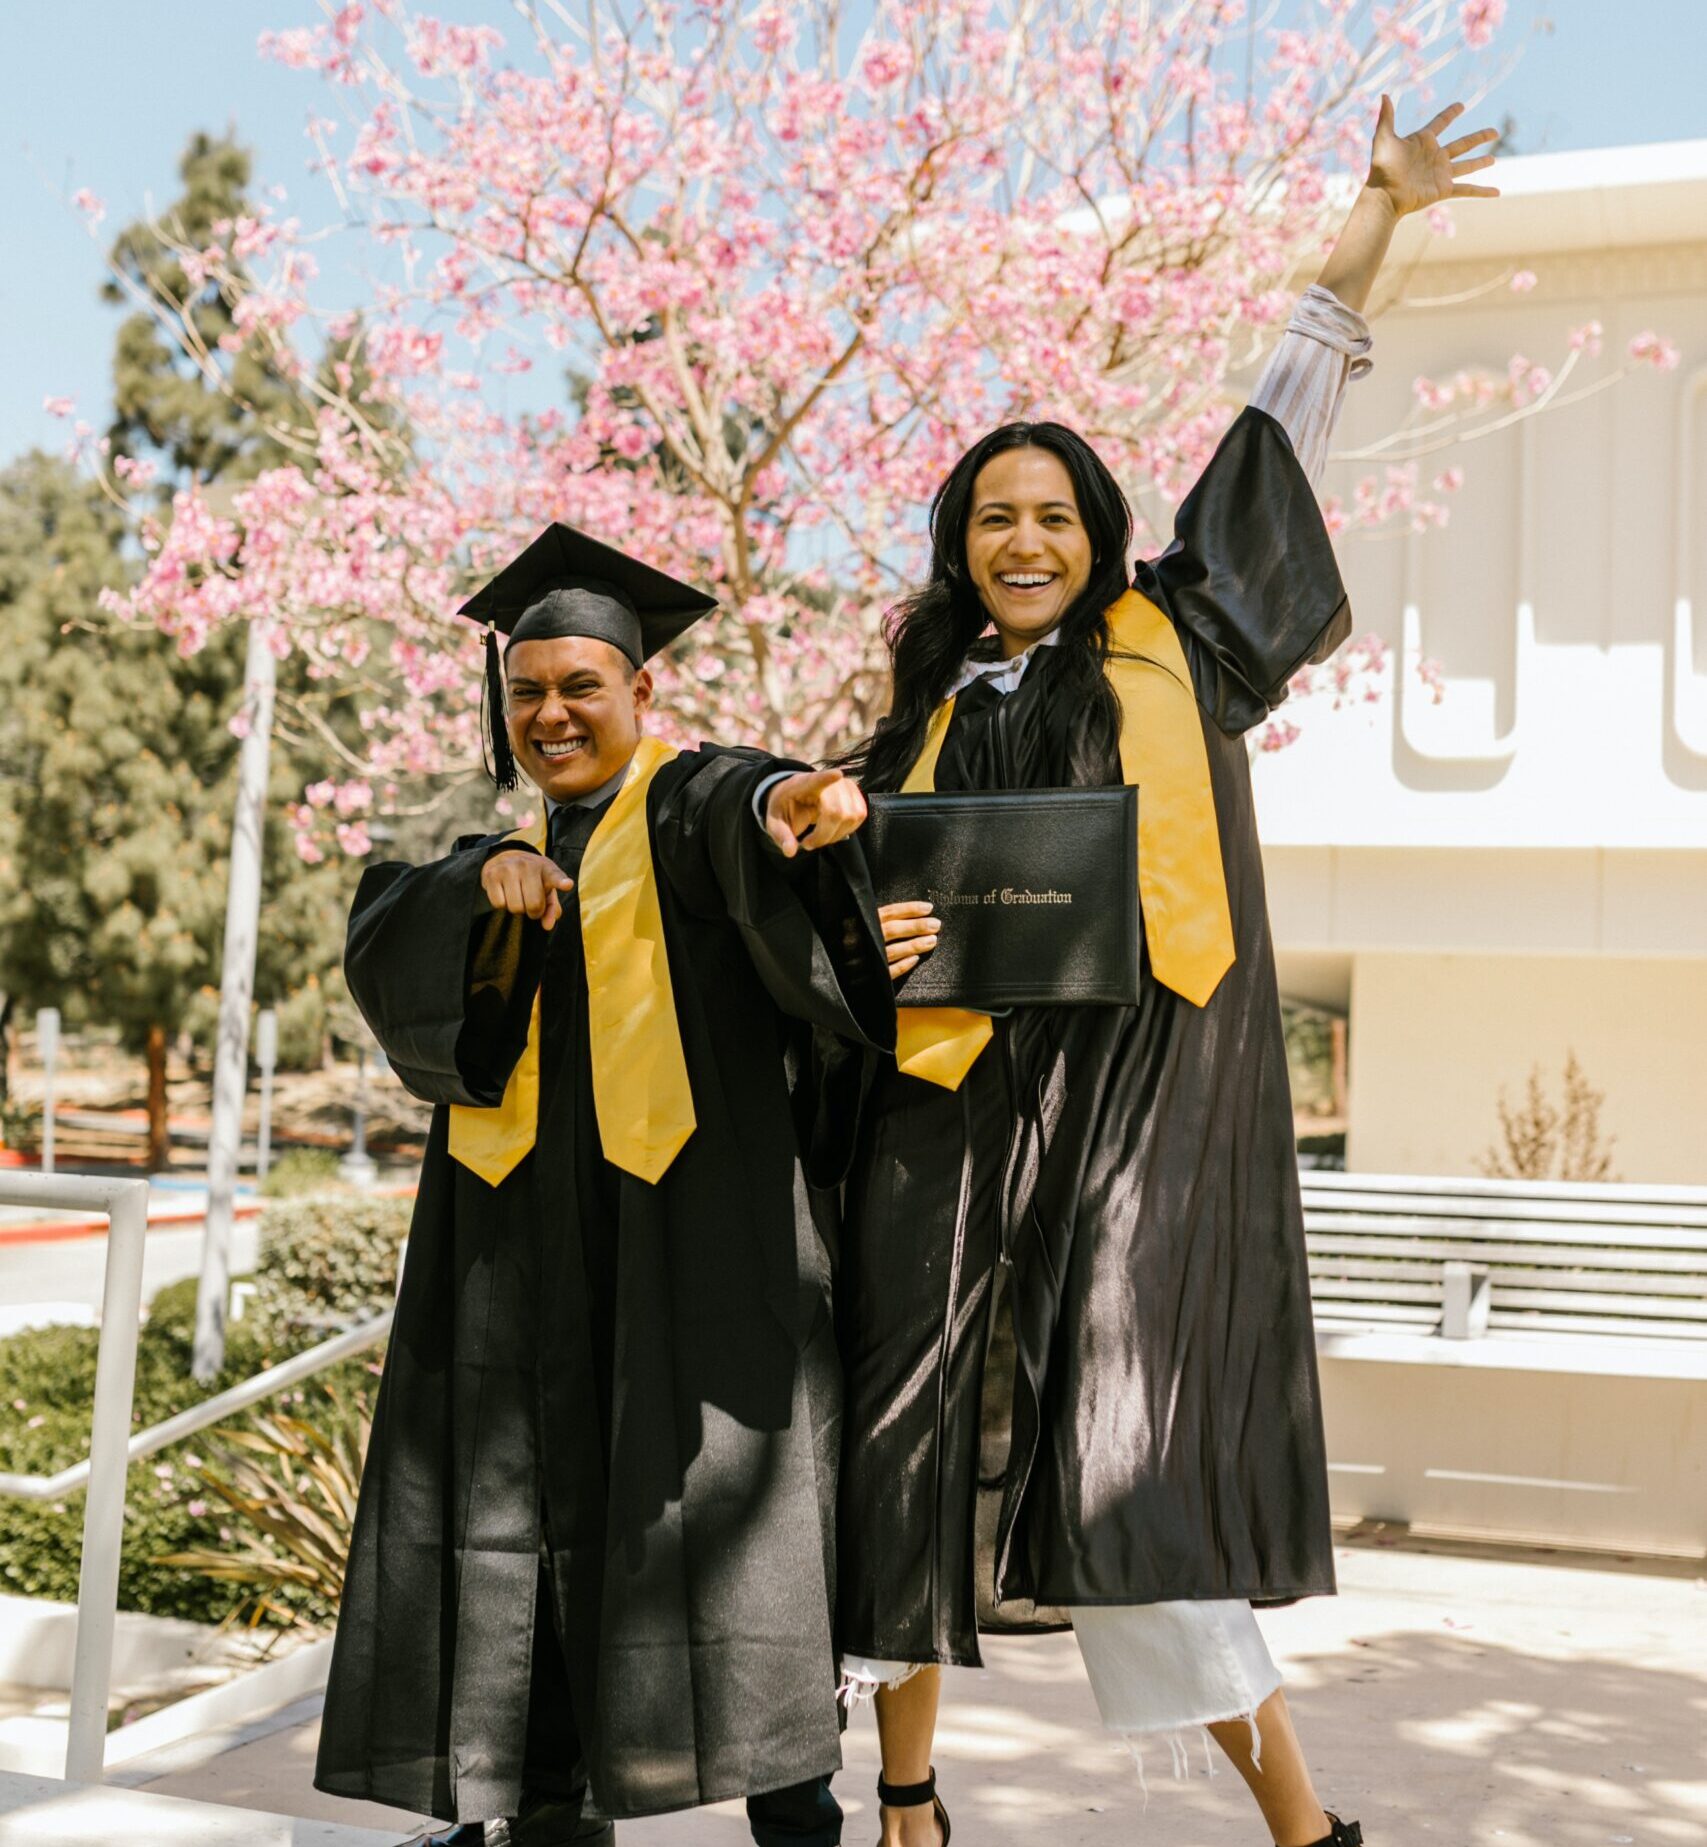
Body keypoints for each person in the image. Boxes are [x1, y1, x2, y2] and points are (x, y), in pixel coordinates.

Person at [836, 98, 1500, 1847]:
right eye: (994, 519)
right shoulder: (919, 715)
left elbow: (1293, 407)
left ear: (1099, 524)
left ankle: (1307, 1829)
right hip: (950, 1116)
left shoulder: (1179, 639)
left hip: (1130, 1117)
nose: (1026, 541)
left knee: (1125, 1476)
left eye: (1055, 513)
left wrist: (1375, 213)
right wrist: (870, 925)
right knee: (906, 1444)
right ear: (959, 543)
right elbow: (858, 914)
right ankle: (908, 1806)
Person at [313, 524, 894, 1846]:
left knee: (732, 1554)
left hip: (695, 1258)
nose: (553, 712)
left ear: (643, 693)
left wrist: (786, 803)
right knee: (527, 1552)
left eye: (583, 685)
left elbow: (740, 804)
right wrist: (481, 884)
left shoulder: (685, 814)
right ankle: (529, 1815)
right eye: (527, 691)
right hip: (523, 1274)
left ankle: (798, 1818)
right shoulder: (508, 854)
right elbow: (388, 932)